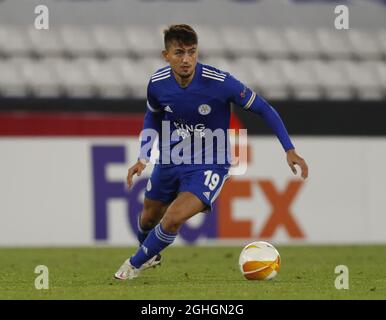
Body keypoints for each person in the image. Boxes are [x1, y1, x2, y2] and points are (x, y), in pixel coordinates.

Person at [114, 24, 308, 280]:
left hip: (210, 163)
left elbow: (263, 108)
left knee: (172, 219)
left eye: (192, 52)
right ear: (166, 55)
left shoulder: (220, 82)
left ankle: (132, 265)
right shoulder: (157, 84)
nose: (186, 59)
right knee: (148, 218)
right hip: (171, 159)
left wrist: (289, 148)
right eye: (179, 52)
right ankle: (150, 253)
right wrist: (143, 156)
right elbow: (153, 116)